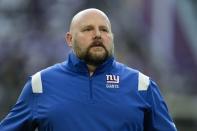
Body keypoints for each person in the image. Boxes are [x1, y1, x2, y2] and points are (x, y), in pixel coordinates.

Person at [0, 8, 177, 131]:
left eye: (104, 30)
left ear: (112, 38)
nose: (98, 35)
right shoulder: (40, 85)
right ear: (69, 39)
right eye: (87, 29)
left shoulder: (142, 86)